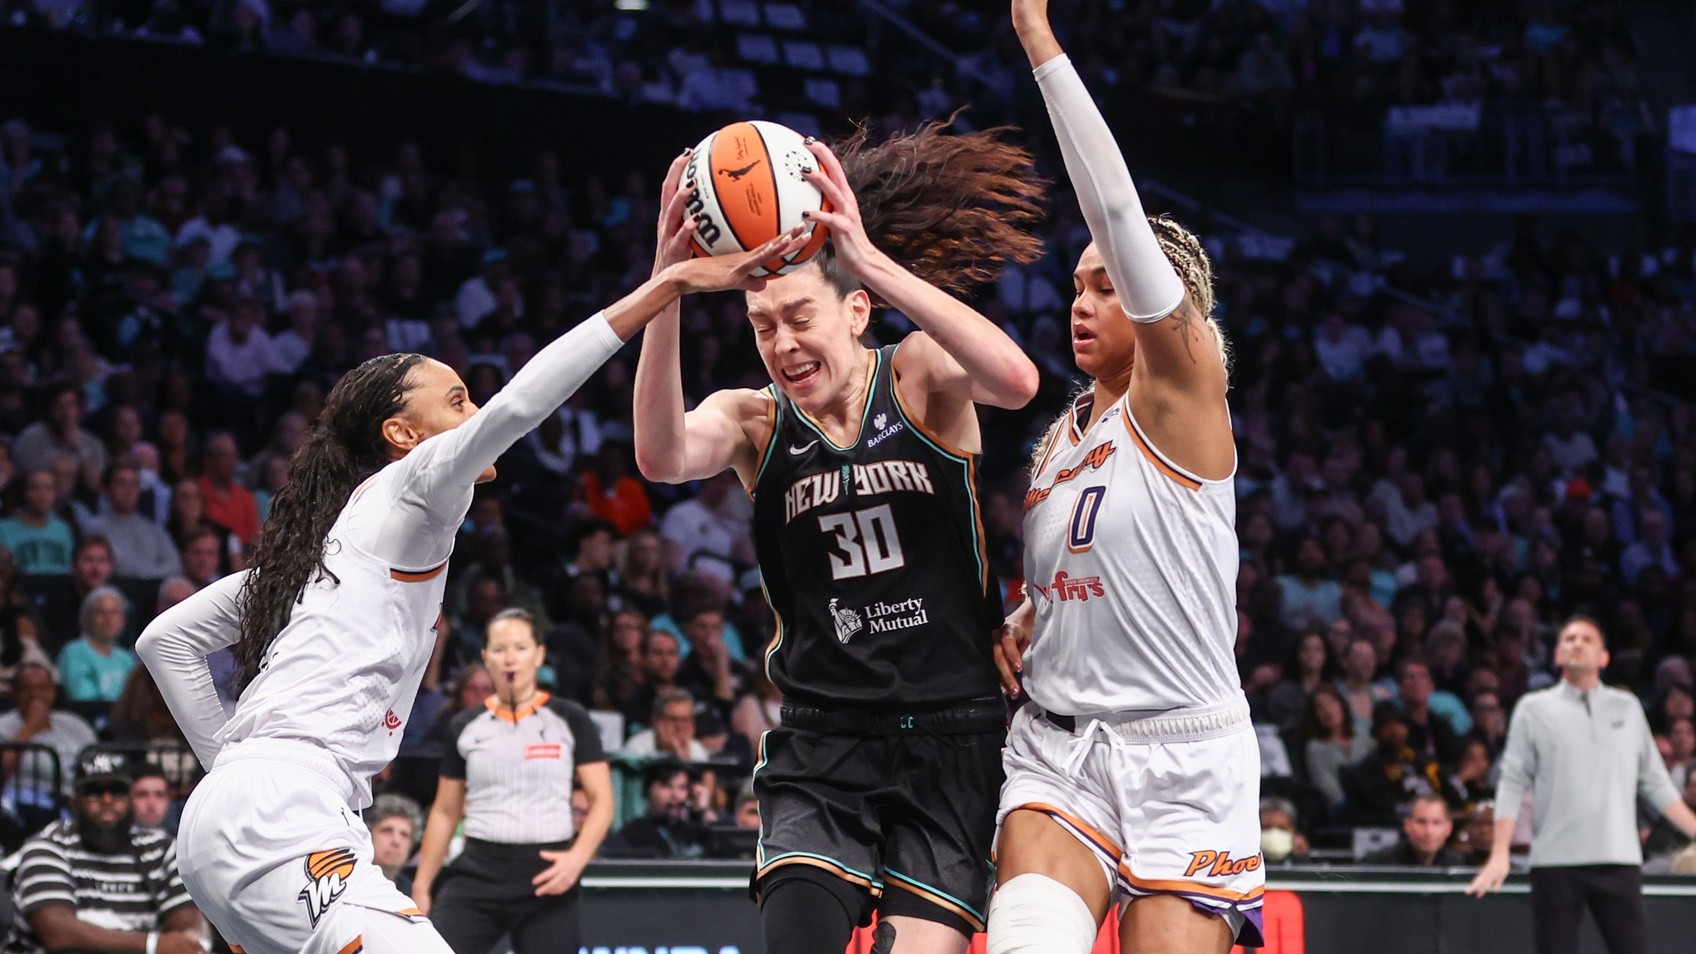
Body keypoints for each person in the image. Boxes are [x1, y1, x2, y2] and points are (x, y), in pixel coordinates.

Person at [135, 204, 806, 954]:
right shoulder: (411, 485)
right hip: (281, 813)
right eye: (457, 401)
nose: (476, 410)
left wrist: (231, 770)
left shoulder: (324, 552)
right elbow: (521, 405)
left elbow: (166, 641)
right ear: (403, 435)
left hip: (252, 814)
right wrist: (665, 287)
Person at [633, 92, 1043, 954]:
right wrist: (665, 290)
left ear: (856, 311)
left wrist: (865, 258)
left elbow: (1016, 382)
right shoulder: (754, 420)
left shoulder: (919, 375)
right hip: (825, 740)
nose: (782, 344)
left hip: (954, 736)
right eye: (762, 327)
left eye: (799, 318)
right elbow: (661, 457)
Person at [987, 3, 1259, 953]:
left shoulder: (1185, 394)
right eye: (1077, 285)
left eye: (1107, 286)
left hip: (1185, 756)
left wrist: (1038, 39)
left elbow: (1113, 208)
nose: (1083, 300)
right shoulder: (1061, 439)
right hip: (1061, 748)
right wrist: (1031, 614)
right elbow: (1091, 565)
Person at [1468, 616, 1696, 954]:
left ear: (1604, 658)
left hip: (1618, 858)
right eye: (1569, 639)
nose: (1577, 643)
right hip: (1554, 862)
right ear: (1557, 655)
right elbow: (1512, 781)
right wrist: (1499, 854)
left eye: (1587, 639)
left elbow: (1655, 782)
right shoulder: (1533, 709)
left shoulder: (1628, 707)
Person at [409, 609, 613, 954]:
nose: (510, 659)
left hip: (548, 871)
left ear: (539, 655)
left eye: (520, 648)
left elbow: (602, 801)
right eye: (500, 649)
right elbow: (445, 811)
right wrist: (422, 885)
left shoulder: (570, 719)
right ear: (486, 657)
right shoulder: (465, 726)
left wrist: (577, 859)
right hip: (478, 869)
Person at [8, 751, 206, 954]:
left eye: (117, 791)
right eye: (94, 791)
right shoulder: (47, 846)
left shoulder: (161, 849)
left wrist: (189, 944)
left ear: (130, 800)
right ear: (74, 803)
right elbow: (58, 933)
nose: (107, 800)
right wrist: (153, 944)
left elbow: (190, 928)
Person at [600, 759, 708, 860]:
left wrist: (701, 811)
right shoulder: (631, 835)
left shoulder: (692, 831)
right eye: (666, 786)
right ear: (647, 791)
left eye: (682, 787)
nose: (675, 795)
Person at [54, 585, 136, 703]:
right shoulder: (74, 652)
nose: (108, 619)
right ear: (87, 617)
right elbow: (83, 697)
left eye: (114, 612)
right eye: (100, 612)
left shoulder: (125, 659)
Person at [1363, 794, 1464, 867]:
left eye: (1436, 823)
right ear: (1407, 825)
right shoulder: (1379, 865)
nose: (1429, 831)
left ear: (1448, 828)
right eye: (1421, 822)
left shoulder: (1458, 865)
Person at [367, 793, 423, 894]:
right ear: (369, 834)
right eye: (386, 831)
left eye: (405, 835)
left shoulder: (412, 893)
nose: (396, 841)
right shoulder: (348, 882)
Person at [129, 761, 174, 830]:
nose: (151, 804)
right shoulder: (115, 836)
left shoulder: (182, 836)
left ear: (168, 800)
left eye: (159, 795)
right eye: (143, 795)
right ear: (129, 799)